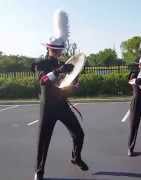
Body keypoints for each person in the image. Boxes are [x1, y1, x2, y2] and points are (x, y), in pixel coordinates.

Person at [33, 10, 88, 180]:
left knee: (79, 134)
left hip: (62, 105)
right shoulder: (40, 64)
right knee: (44, 141)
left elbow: (64, 85)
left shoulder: (63, 64)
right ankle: (39, 171)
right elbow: (43, 81)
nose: (58, 54)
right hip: (48, 107)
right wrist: (60, 70)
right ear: (48, 48)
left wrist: (74, 85)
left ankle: (75, 157)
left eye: (59, 51)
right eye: (55, 51)